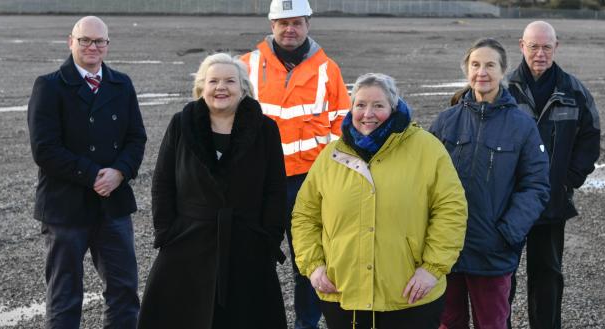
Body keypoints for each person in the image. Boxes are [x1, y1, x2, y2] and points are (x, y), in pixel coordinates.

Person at [292, 73, 468, 329]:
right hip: (344, 293)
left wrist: (432, 268)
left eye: (378, 105)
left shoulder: (426, 149)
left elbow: (451, 210)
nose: (368, 113)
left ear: (394, 108)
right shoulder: (332, 155)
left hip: (409, 294)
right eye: (360, 105)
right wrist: (314, 266)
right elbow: (305, 215)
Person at [137, 53, 288, 328]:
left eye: (230, 81)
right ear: (201, 88)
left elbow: (275, 188)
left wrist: (268, 238)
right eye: (213, 81)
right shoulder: (182, 124)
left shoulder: (265, 129)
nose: (221, 87)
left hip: (248, 245)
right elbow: (162, 183)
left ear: (243, 88)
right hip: (186, 244)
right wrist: (166, 232)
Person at [27, 16, 145, 329]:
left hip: (114, 206)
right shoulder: (50, 86)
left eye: (99, 41)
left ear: (107, 45)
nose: (92, 47)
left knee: (123, 291)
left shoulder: (122, 84)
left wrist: (120, 172)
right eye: (85, 40)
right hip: (65, 207)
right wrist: (94, 174)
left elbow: (137, 139)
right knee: (64, 296)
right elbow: (44, 149)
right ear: (71, 42)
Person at [239, 1, 351, 327]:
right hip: (259, 182)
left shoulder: (327, 69)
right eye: (283, 22)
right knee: (255, 258)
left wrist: (333, 182)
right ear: (272, 24)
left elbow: (341, 128)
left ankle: (307, 323)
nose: (290, 29)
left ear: (308, 24)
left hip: (309, 182)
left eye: (297, 22)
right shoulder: (247, 65)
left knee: (310, 261)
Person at [431, 38, 551, 329]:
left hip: (492, 252)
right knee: (448, 322)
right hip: (447, 249)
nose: (481, 72)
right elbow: (424, 180)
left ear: (503, 71)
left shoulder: (522, 125)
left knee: (493, 324)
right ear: (466, 70)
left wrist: (508, 232)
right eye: (475, 65)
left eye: (489, 65)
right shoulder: (446, 122)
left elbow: (536, 186)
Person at [504, 21, 601, 329]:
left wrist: (567, 179)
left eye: (547, 47)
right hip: (508, 203)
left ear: (556, 47)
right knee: (502, 274)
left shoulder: (574, 90)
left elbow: (591, 137)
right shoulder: (504, 90)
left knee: (547, 275)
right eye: (534, 46)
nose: (540, 53)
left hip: (551, 201)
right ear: (522, 46)